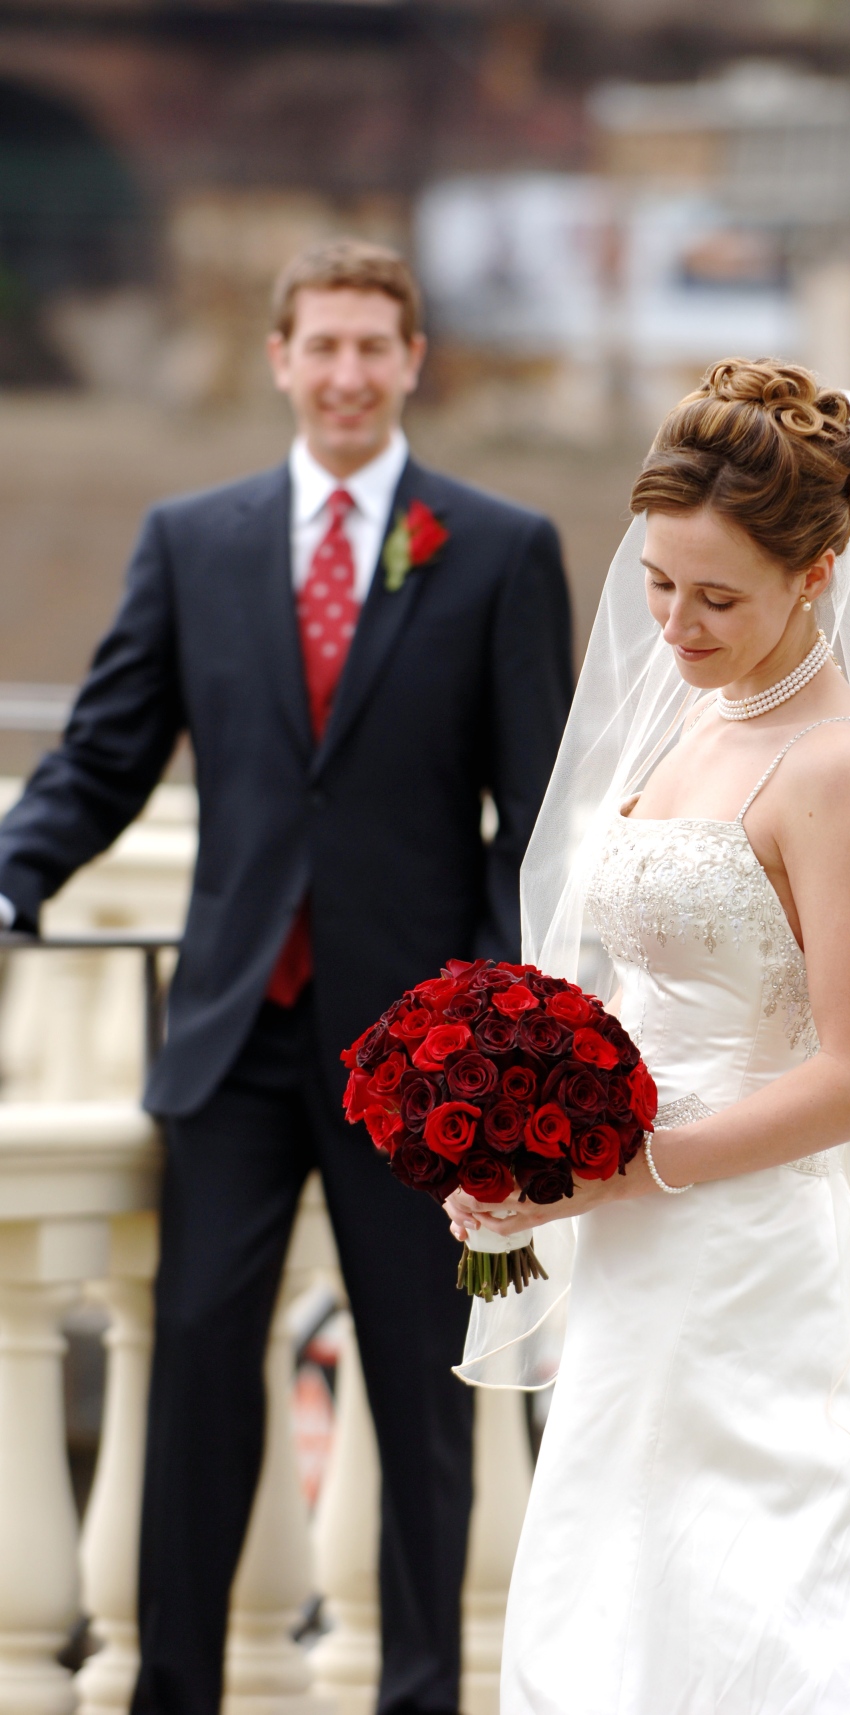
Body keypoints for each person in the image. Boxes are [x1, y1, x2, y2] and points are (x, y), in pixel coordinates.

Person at [447, 361, 850, 1713]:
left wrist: (622, 1171)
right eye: (658, 585)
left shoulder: (843, 770)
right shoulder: (696, 714)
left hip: (747, 1263)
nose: (676, 625)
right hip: (633, 1260)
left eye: (718, 599)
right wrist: (518, 1139)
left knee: (771, 1624)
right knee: (618, 1606)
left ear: (818, 574)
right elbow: (638, 986)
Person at [0, 238, 573, 1715]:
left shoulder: (499, 548)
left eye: (375, 346)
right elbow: (107, 755)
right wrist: (12, 874)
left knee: (422, 1392)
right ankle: (175, 1693)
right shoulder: (192, 539)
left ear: (414, 360)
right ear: (279, 359)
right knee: (197, 1364)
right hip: (234, 1041)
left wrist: (486, 1012)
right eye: (322, 345)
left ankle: (423, 1695)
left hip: (423, 1062)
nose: (347, 373)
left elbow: (540, 816)